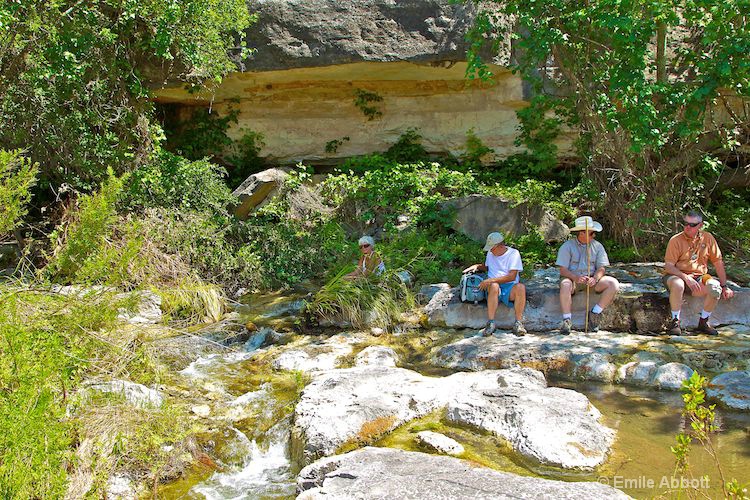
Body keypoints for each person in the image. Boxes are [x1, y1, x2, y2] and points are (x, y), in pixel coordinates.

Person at [663, 210, 734, 335]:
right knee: (678, 284)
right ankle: (675, 321)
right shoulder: (676, 240)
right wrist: (686, 278)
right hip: (676, 276)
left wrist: (724, 286)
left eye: (692, 225)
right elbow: (668, 267)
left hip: (699, 277)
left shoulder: (708, 238)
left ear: (700, 225)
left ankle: (704, 322)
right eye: (685, 223)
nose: (687, 227)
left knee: (715, 287)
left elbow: (718, 262)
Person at [555, 216, 619, 335]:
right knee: (565, 284)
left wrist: (595, 278)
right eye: (592, 233)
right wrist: (575, 278)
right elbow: (563, 270)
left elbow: (601, 268)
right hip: (573, 280)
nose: (594, 235)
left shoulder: (598, 246)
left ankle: (595, 313)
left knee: (613, 283)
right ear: (581, 233)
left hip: (591, 280)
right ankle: (567, 320)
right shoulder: (567, 246)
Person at [463, 232, 527, 336]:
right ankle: (491, 322)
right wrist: (478, 266)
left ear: (500, 245)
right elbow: (488, 267)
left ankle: (518, 323)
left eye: (492, 248)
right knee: (494, 286)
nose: (490, 250)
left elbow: (512, 276)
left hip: (509, 285)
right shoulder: (490, 253)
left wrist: (490, 280)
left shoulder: (513, 254)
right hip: (493, 287)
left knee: (520, 287)